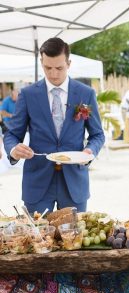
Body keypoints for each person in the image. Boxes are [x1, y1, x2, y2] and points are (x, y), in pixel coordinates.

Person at [4, 37, 105, 214]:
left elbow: (97, 135)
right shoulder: (27, 95)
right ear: (41, 62)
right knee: (38, 239)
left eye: (59, 68)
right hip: (37, 184)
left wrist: (90, 151)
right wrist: (13, 149)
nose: (53, 74)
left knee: (73, 239)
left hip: (74, 183)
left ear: (69, 63)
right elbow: (12, 134)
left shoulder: (86, 93)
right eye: (47, 68)